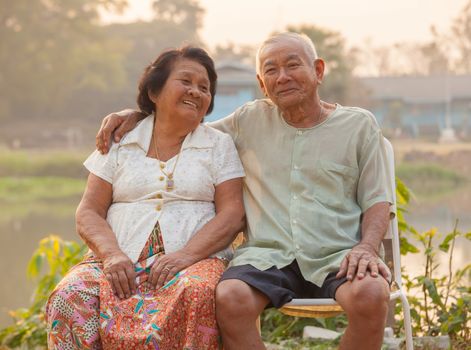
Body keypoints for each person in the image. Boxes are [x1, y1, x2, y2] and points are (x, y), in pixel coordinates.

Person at [96, 32, 394, 350]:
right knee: (231, 296)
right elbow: (186, 125)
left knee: (372, 294)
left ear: (318, 71)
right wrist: (140, 115)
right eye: (271, 70)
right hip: (268, 256)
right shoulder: (247, 121)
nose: (283, 77)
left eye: (293, 65)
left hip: (338, 254)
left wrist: (366, 247)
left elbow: (377, 199)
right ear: (261, 83)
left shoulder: (358, 126)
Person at [45, 46, 245, 350]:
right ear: (154, 90)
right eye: (186, 81)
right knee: (70, 295)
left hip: (195, 261)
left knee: (195, 291)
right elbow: (88, 211)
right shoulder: (120, 140)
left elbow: (232, 214)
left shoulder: (219, 145)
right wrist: (111, 254)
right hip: (117, 259)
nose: (196, 92)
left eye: (204, 88)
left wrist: (187, 255)